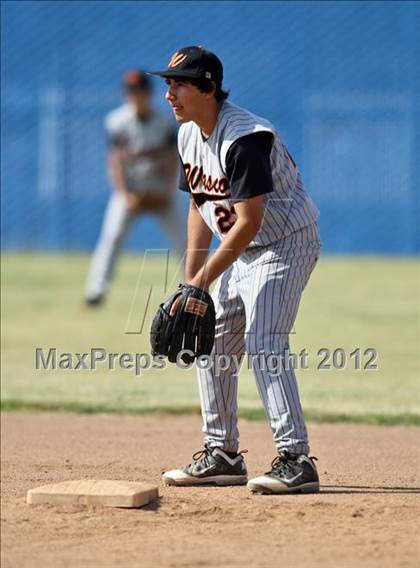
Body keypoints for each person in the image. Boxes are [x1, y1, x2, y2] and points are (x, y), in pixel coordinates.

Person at [149, 46, 322, 494]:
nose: (169, 93)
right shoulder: (187, 133)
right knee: (212, 340)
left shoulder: (245, 138)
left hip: (285, 245)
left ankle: (296, 458)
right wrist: (191, 282)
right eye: (168, 82)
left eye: (180, 83)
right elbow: (198, 205)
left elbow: (249, 222)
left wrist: (204, 279)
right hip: (240, 251)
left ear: (208, 87)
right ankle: (222, 454)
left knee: (264, 340)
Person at [85, 70, 184, 306]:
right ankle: (95, 291)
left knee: (184, 240)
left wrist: (167, 191)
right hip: (130, 190)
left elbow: (173, 158)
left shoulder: (165, 122)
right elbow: (116, 160)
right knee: (112, 236)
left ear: (148, 94)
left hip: (161, 190)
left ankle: (195, 288)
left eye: (139, 91)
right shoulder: (116, 121)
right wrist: (124, 194)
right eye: (131, 92)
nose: (135, 96)